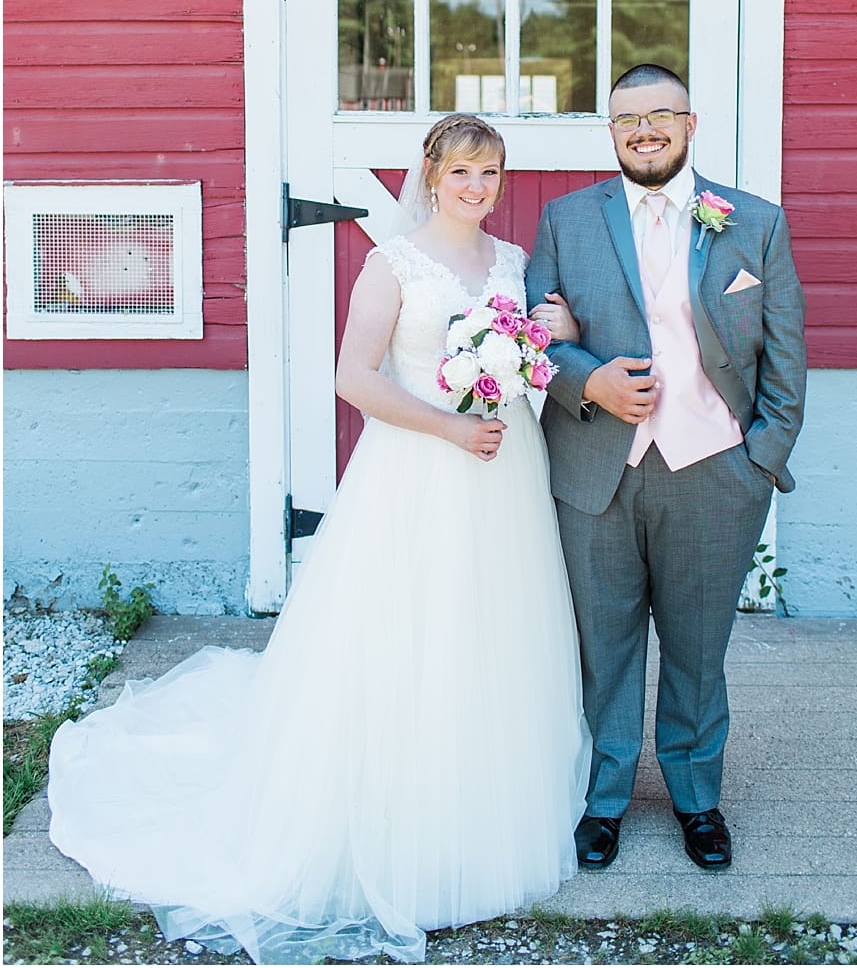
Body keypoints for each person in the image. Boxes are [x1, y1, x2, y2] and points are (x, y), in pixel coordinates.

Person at [47, 114, 591, 964]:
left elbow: (519, 353)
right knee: (406, 633)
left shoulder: (513, 264)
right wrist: (450, 429)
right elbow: (354, 377)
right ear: (431, 173)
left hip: (503, 470)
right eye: (461, 171)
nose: (477, 187)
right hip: (422, 467)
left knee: (490, 628)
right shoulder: (392, 261)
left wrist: (542, 336)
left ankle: (480, 806)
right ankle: (395, 814)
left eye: (490, 172)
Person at [526, 63, 807, 875]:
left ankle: (694, 796)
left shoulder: (753, 222)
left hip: (716, 470)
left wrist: (762, 458)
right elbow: (533, 332)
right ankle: (604, 798)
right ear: (610, 132)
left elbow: (786, 357)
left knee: (695, 647)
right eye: (625, 120)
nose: (642, 130)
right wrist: (589, 379)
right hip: (595, 468)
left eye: (659, 115)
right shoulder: (566, 219)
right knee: (603, 644)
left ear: (691, 122)